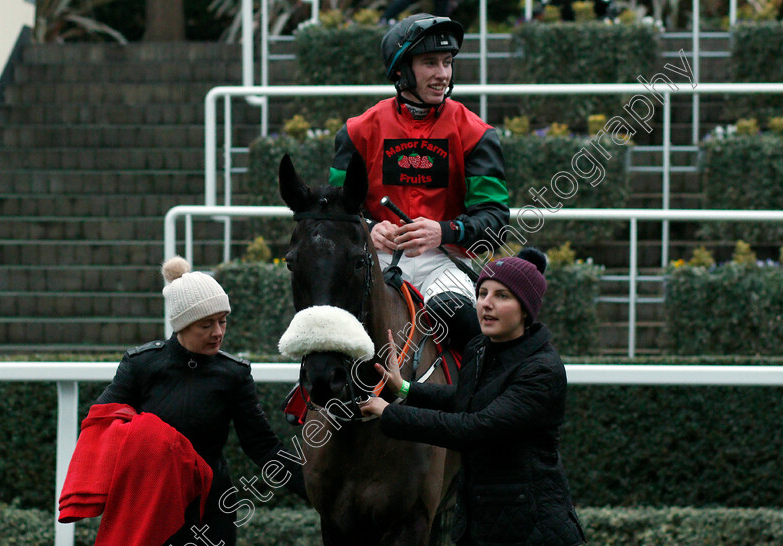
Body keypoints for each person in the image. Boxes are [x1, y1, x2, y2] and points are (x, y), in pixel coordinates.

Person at [360, 249, 586, 545]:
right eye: (481, 293)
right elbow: (467, 398)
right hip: (478, 524)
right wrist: (404, 388)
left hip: (534, 530)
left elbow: (473, 429)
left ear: (526, 309)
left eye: (502, 296)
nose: (486, 304)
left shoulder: (542, 370)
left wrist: (388, 412)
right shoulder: (480, 348)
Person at [91, 256, 307, 545]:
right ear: (182, 325)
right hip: (150, 506)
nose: (217, 332)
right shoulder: (141, 365)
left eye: (222, 321)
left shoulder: (234, 374)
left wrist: (314, 488)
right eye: (206, 325)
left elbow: (263, 446)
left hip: (213, 508)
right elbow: (100, 423)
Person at [329, 13, 511, 353]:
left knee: (460, 319)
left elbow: (495, 220)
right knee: (328, 325)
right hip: (374, 258)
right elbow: (336, 212)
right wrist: (367, 227)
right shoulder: (356, 132)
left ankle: (479, 401)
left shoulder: (477, 134)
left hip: (443, 261)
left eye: (447, 62)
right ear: (401, 70)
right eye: (430, 63)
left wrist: (444, 231)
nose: (443, 74)